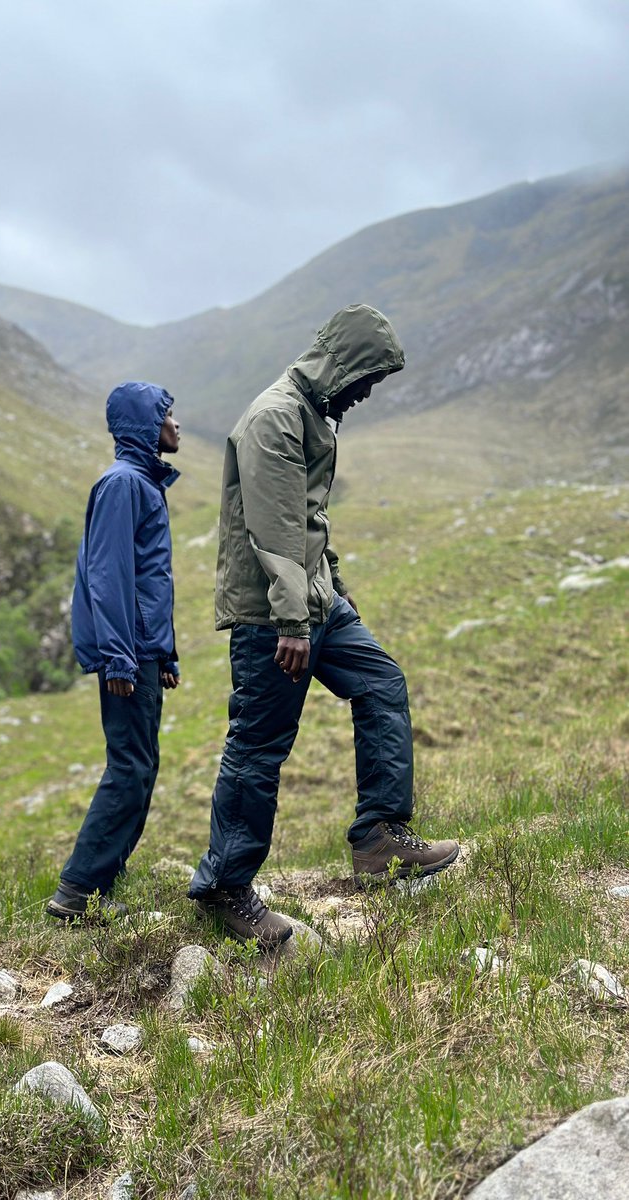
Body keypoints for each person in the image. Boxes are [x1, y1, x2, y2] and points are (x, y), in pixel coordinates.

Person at [188, 304, 459, 948]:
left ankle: (380, 841)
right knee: (259, 747)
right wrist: (293, 620)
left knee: (382, 683)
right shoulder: (275, 419)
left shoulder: (314, 415)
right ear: (341, 365)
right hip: (274, 617)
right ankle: (224, 888)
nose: (367, 394)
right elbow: (275, 534)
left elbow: (311, 528)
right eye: (366, 379)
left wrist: (336, 596)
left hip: (316, 606)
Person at [47, 381, 181, 920]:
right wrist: (120, 656)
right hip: (126, 656)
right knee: (129, 767)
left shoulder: (141, 483)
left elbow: (147, 580)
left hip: (141, 653)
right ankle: (78, 891)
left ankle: (102, 885)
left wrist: (162, 653)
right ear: (147, 425)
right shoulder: (123, 484)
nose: (177, 425)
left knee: (140, 765)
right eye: (168, 415)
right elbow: (108, 577)